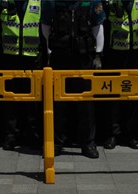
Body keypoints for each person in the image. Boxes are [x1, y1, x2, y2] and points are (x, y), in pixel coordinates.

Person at [41, 0, 105, 159]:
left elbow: (97, 27)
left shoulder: (92, 1)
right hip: (60, 56)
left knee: (86, 103)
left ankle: (88, 143)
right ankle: (56, 143)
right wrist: (50, 49)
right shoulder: (50, 1)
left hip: (83, 57)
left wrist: (98, 54)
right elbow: (46, 25)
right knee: (57, 102)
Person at [0, 0, 44, 150]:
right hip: (9, 56)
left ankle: (32, 134)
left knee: (33, 100)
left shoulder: (38, 2)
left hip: (32, 57)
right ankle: (11, 135)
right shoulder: (4, 2)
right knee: (10, 99)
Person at [101, 0, 138, 151]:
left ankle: (132, 134)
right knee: (114, 95)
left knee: (134, 95)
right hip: (115, 52)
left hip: (137, 53)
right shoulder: (109, 1)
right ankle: (112, 134)